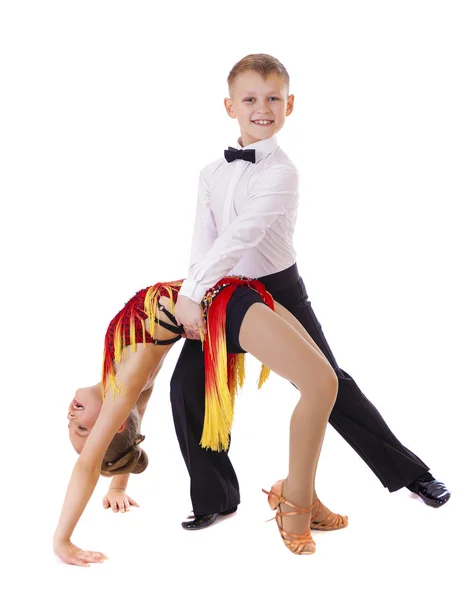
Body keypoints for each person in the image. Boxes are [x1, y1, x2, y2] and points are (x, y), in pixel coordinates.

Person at [172, 53, 450, 531]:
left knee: (328, 383)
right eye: (251, 98)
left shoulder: (283, 171)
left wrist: (195, 286)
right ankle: (215, 498)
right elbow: (207, 240)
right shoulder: (210, 173)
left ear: (290, 104)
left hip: (278, 289)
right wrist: (193, 292)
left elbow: (243, 235)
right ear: (229, 106)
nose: (263, 107)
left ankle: (412, 474)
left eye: (274, 98)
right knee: (187, 386)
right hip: (222, 293)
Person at [53, 275, 344, 566]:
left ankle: (307, 497)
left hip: (234, 289)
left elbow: (133, 426)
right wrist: (62, 541)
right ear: (112, 424)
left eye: (71, 424)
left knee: (331, 383)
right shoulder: (128, 382)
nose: (70, 416)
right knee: (323, 384)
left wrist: (118, 486)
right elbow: (88, 465)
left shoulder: (126, 383)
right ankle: (298, 502)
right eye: (82, 428)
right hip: (228, 304)